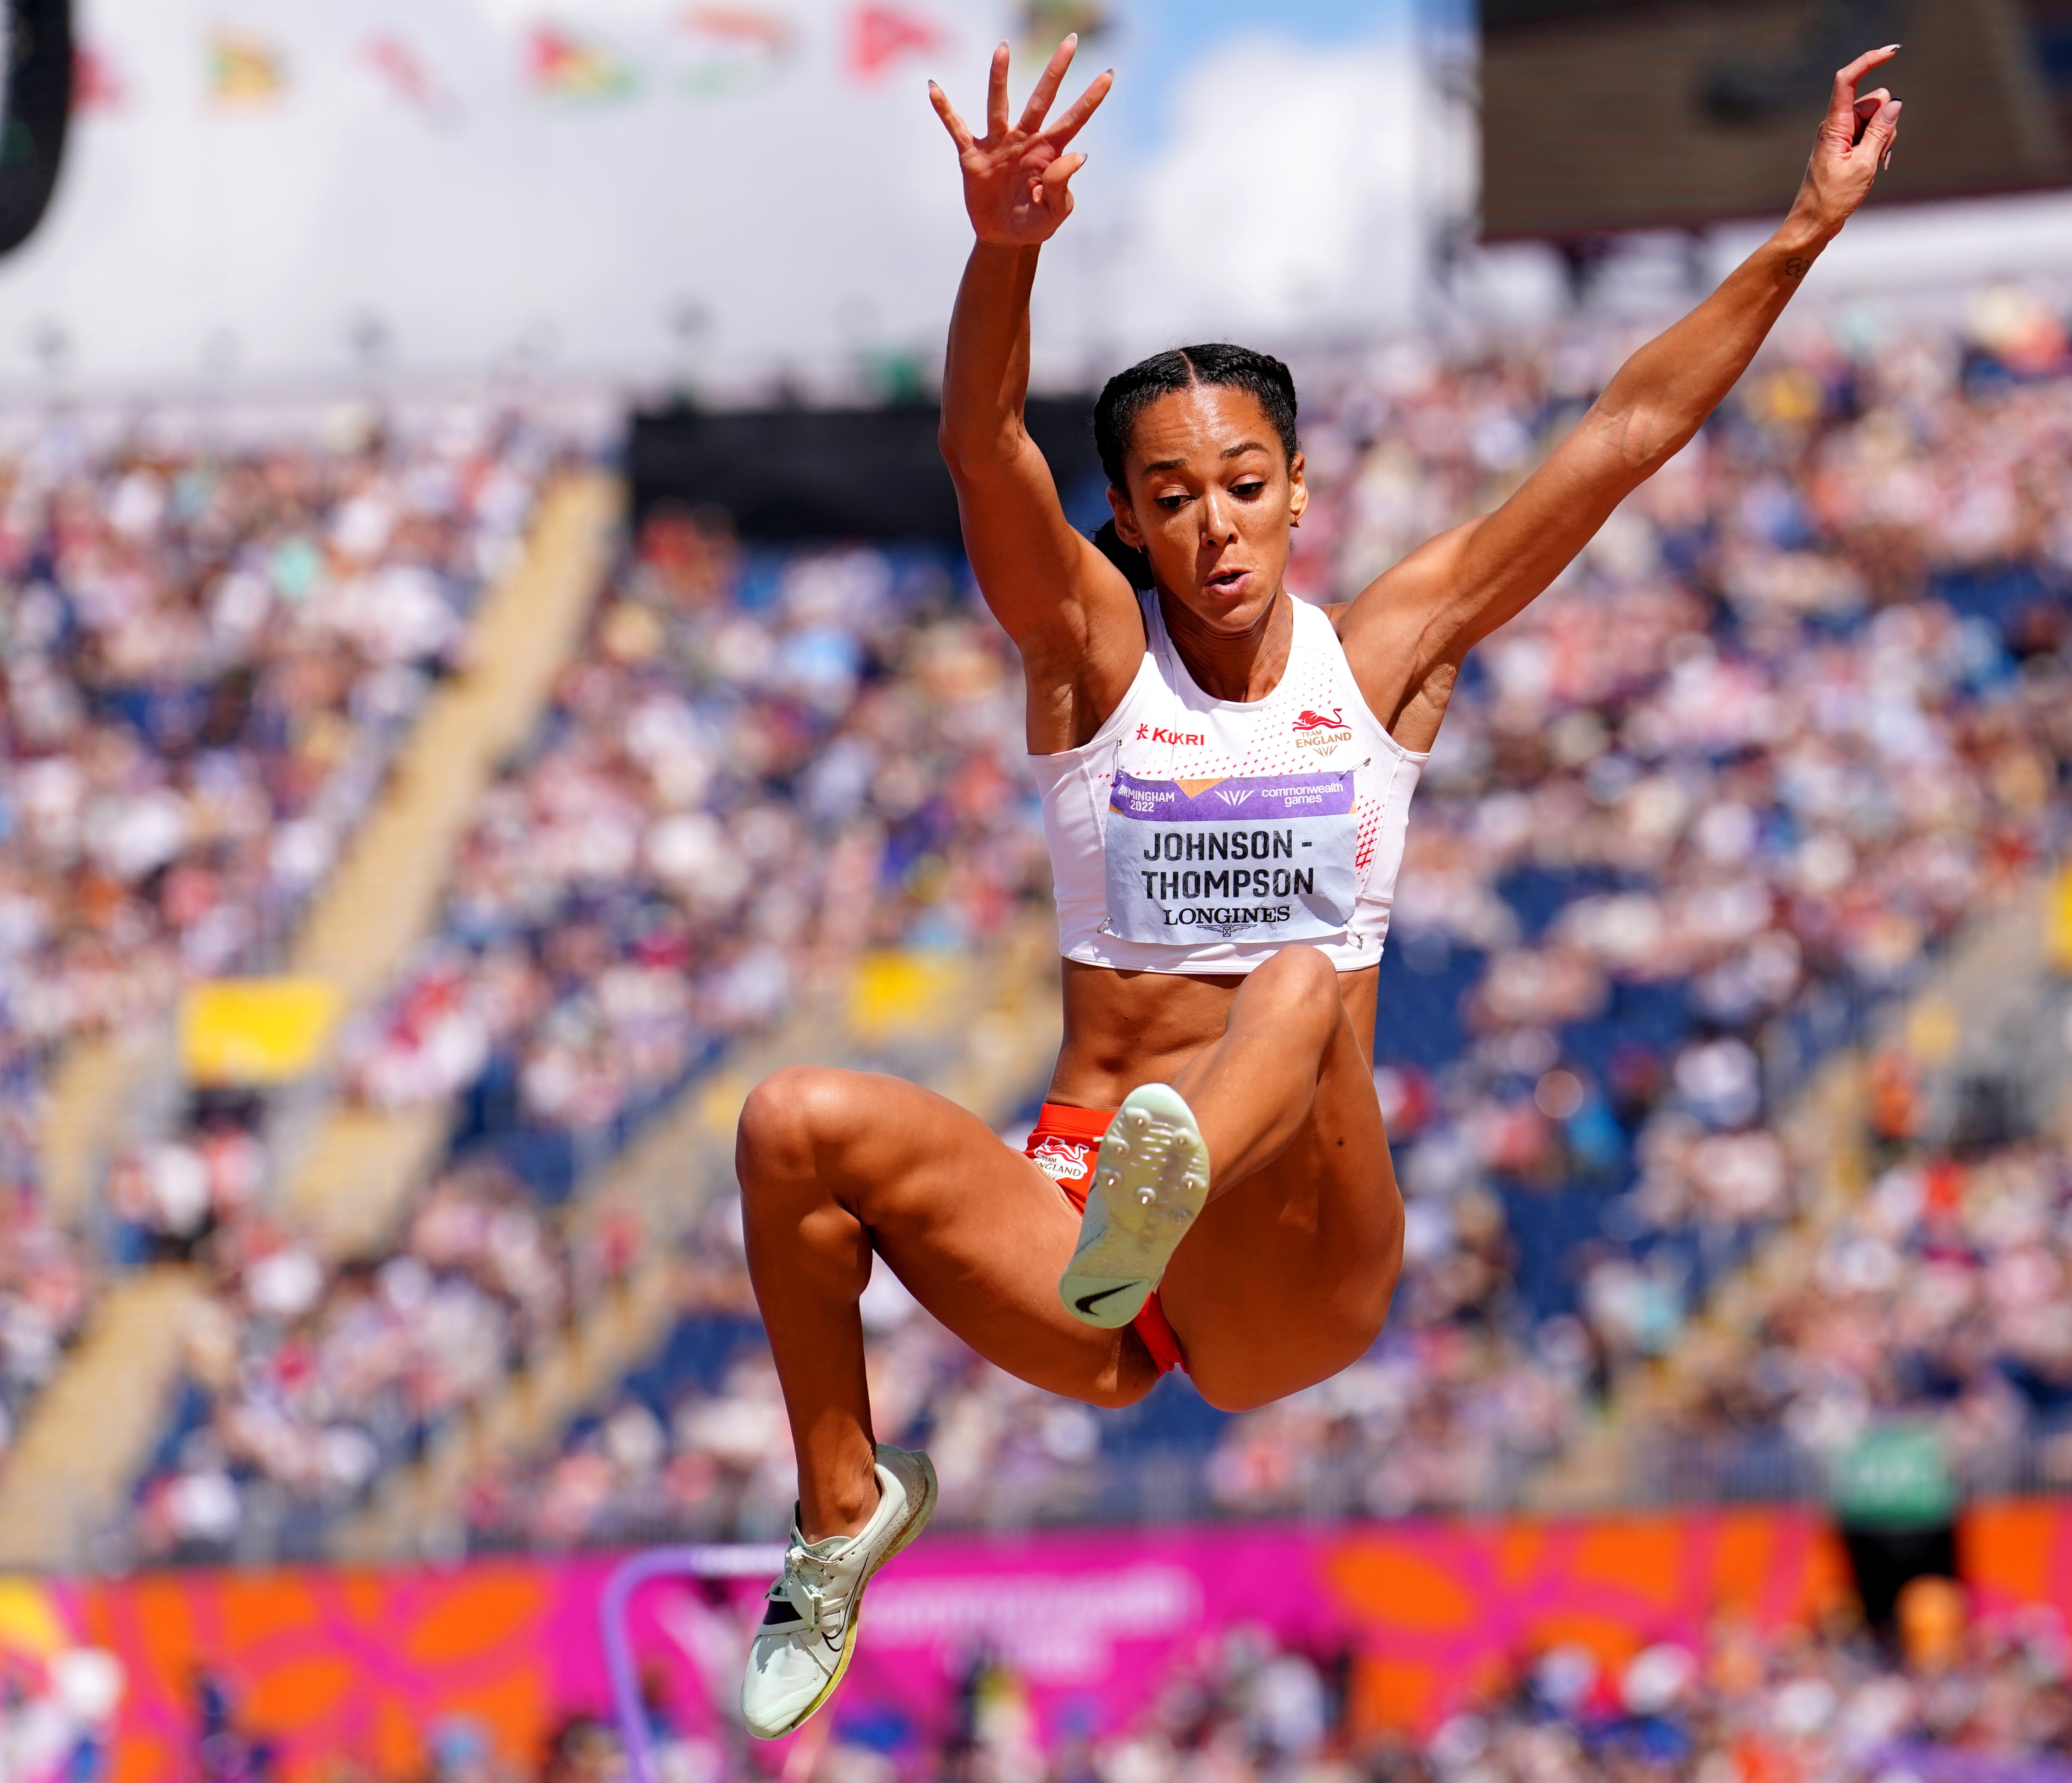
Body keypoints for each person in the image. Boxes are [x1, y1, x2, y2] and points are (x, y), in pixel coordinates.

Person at [733, 33, 1906, 1738]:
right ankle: (843, 1506)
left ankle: (1176, 1177)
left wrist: (1800, 231)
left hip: (1294, 1249)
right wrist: (1005, 248)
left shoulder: (1384, 659)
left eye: (1245, 488)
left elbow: (1627, 429)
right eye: (1170, 500)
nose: (1212, 529)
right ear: (1127, 523)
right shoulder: (1088, 658)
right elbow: (985, 444)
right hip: (1091, 1255)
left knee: (1292, 981)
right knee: (788, 1122)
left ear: (1298, 495)